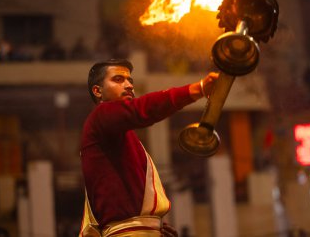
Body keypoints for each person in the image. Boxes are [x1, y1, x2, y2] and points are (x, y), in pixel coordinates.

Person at [79, 58, 218, 237]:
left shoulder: (117, 133)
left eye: (130, 80)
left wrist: (151, 226)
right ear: (98, 91)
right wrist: (197, 89)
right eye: (118, 80)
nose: (129, 85)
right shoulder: (101, 115)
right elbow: (143, 109)